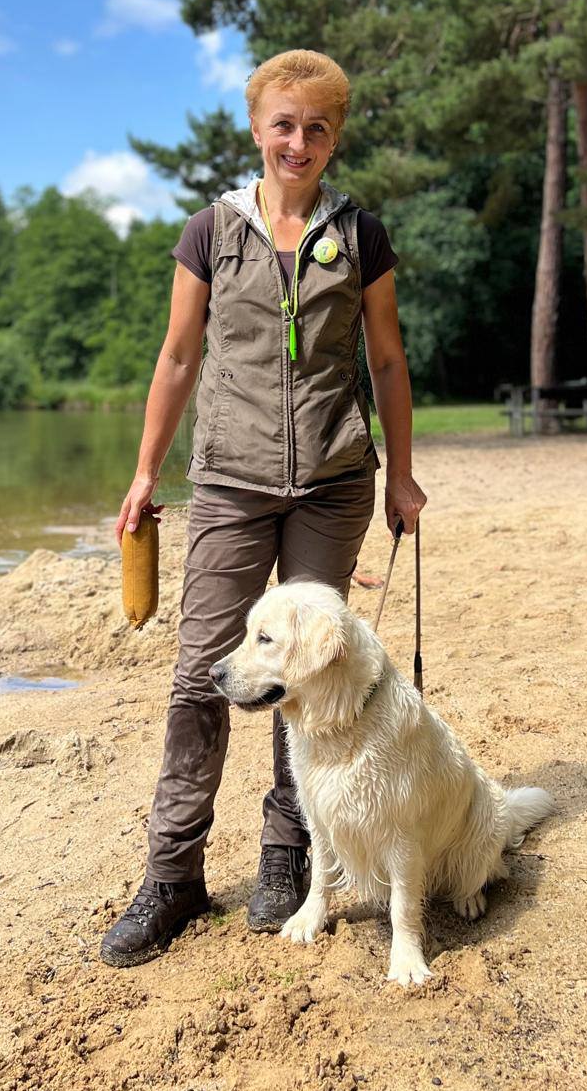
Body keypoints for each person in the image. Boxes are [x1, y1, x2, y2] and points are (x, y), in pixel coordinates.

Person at [99, 48, 426, 968]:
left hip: (332, 481)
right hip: (230, 484)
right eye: (284, 124)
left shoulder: (360, 236)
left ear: (335, 138)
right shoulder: (211, 231)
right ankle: (172, 875)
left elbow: (386, 359)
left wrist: (401, 474)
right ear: (256, 129)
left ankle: (288, 853)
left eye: (317, 128)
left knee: (311, 674)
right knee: (203, 671)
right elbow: (178, 357)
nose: (299, 142)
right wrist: (144, 472)